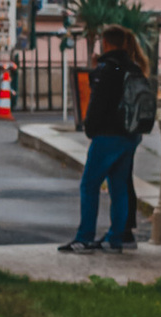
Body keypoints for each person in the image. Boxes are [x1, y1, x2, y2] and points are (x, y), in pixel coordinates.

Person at [62, 22, 155, 252]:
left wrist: (90, 128)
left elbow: (99, 102)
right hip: (130, 134)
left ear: (105, 43)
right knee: (119, 186)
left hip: (108, 135)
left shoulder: (109, 67)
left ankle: (84, 237)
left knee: (90, 184)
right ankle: (116, 237)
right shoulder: (132, 67)